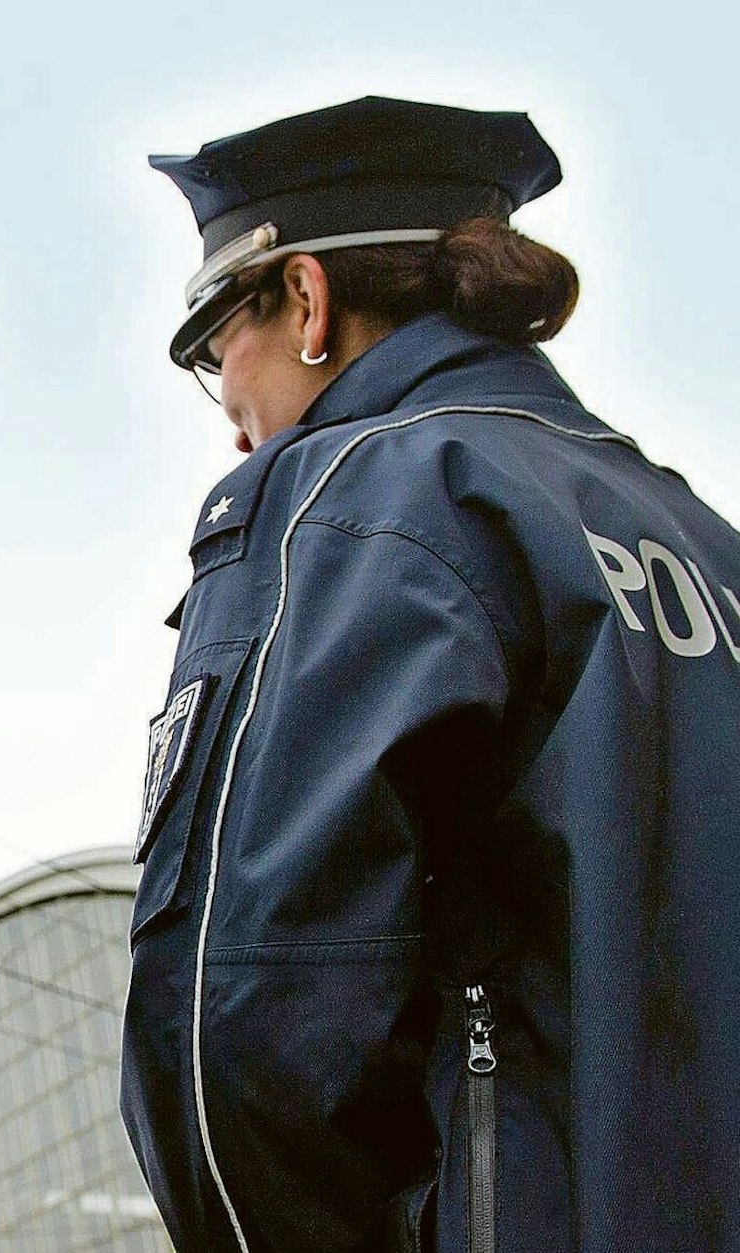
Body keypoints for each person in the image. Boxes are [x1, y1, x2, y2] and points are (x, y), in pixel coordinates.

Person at [119, 97, 740, 1253]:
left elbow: (241, 1025)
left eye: (215, 352)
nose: (230, 419)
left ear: (303, 298)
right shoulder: (697, 531)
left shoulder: (350, 505)